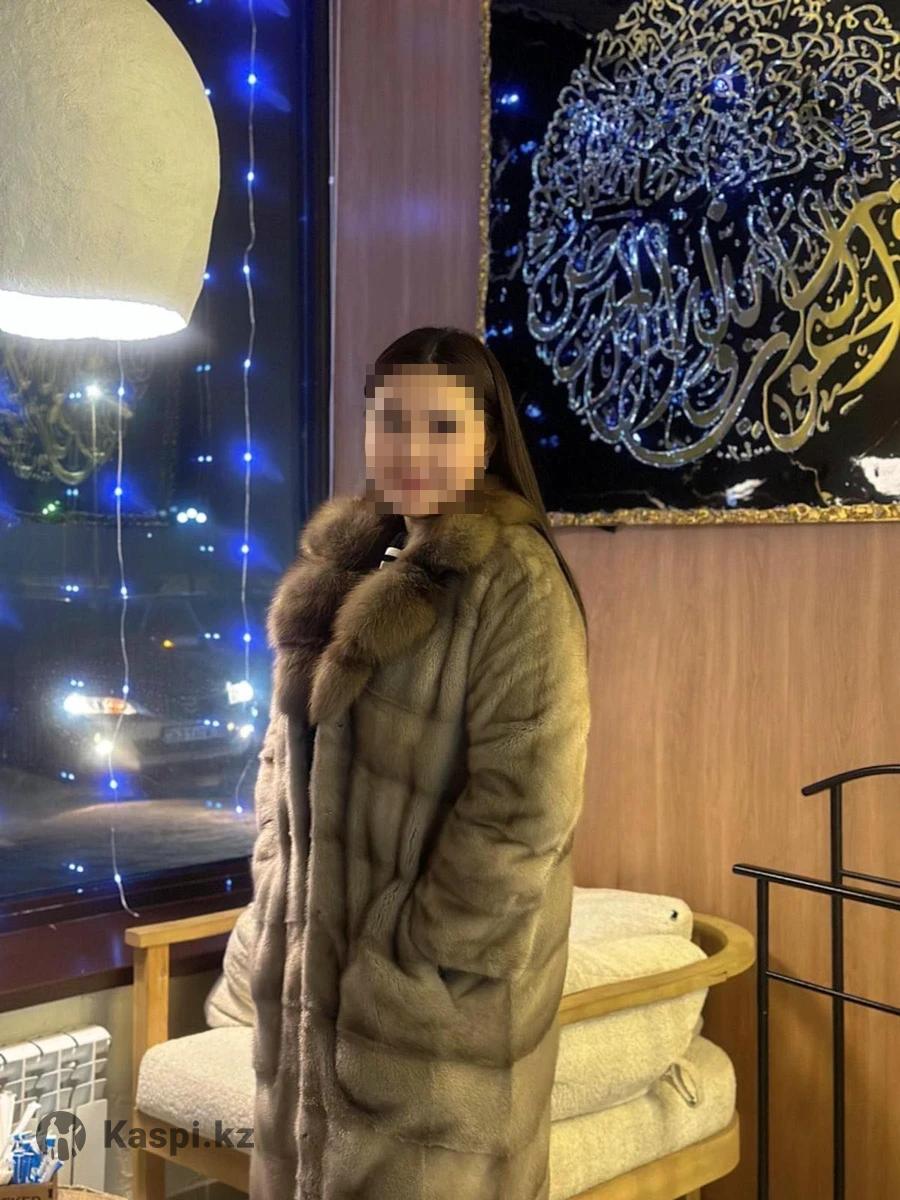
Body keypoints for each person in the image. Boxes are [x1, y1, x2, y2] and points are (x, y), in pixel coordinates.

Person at [217, 325, 592, 1199]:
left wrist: (410, 962)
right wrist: (276, 881)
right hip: (307, 1007)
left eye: (441, 426)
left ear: (486, 442)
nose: (410, 449)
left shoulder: (514, 582)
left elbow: (525, 809)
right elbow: (281, 754)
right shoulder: (341, 570)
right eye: (390, 422)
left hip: (432, 1032)